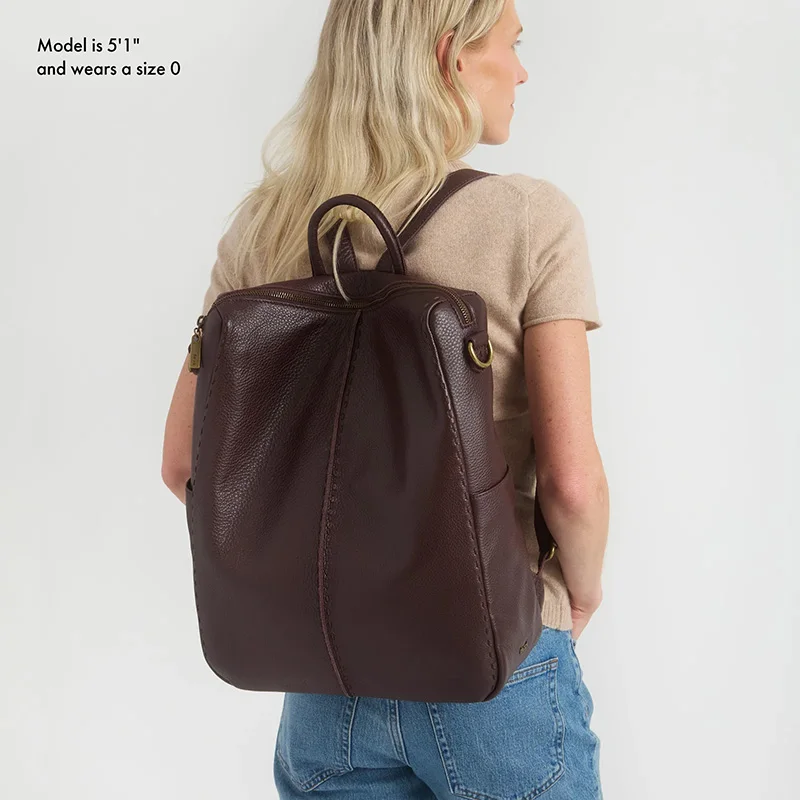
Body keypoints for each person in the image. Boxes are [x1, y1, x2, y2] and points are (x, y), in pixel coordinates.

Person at [162, 1, 609, 797]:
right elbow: (572, 486)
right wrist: (580, 592)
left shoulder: (264, 227)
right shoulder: (530, 218)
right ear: (450, 56)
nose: (522, 71)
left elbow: (183, 464)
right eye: (511, 45)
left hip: (323, 680)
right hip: (495, 662)